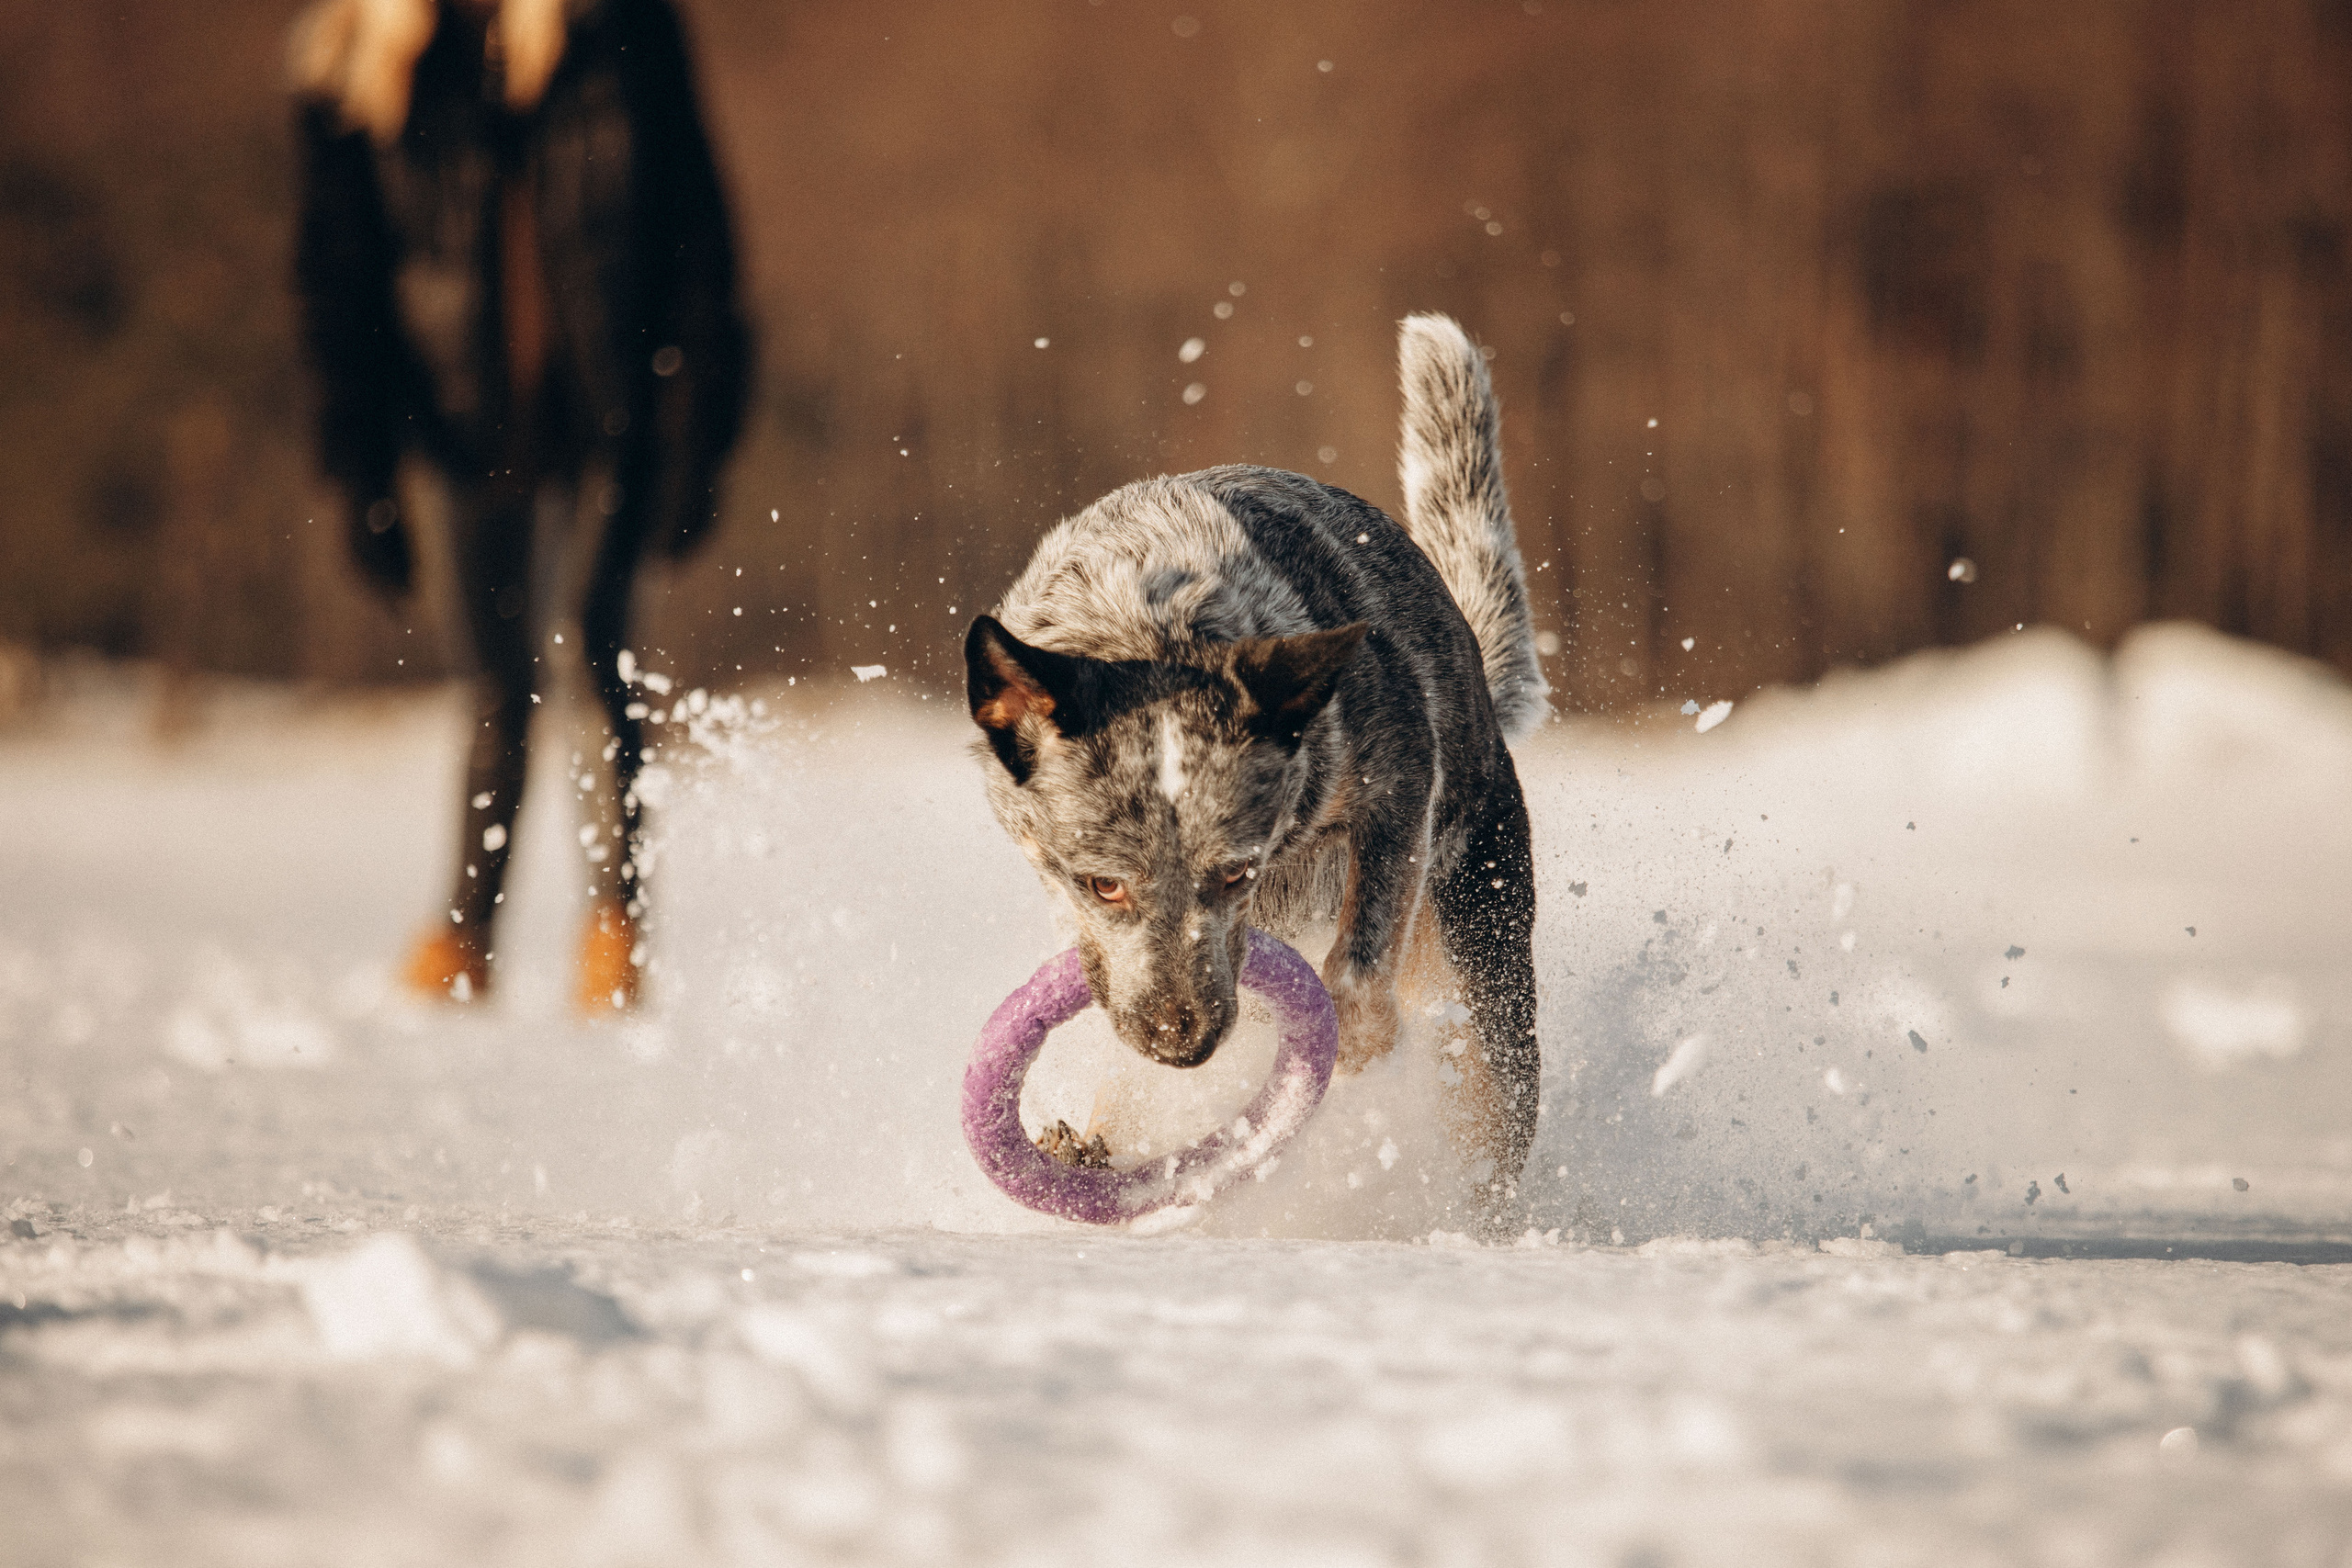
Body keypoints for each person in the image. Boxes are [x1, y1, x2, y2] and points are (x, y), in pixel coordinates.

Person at [288, 0, 751, 1009]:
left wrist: (697, 434)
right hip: (455, 419)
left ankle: (614, 930)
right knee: (493, 685)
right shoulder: (360, 57)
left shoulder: (620, 29)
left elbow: (697, 231)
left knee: (592, 650)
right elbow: (336, 285)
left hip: (612, 404)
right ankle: (467, 932)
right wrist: (361, 473)